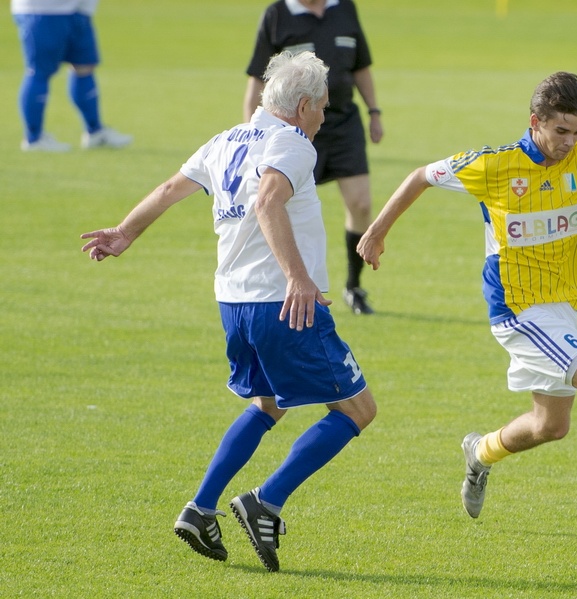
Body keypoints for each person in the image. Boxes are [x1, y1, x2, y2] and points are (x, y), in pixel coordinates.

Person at [357, 72, 577, 535]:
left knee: (551, 425)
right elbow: (421, 176)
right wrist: (376, 232)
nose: (570, 141)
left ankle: (480, 451)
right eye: (561, 131)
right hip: (518, 311)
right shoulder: (494, 167)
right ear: (535, 122)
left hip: (562, 309)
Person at [81, 51, 377, 573]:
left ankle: (200, 508)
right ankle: (267, 499)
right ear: (303, 106)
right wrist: (298, 276)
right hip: (282, 302)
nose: (324, 118)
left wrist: (125, 231)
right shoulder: (292, 144)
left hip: (234, 302)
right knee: (357, 410)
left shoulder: (226, 140)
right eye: (323, 108)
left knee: (268, 405)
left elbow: (171, 189)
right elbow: (268, 202)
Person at [244, 0, 383, 315]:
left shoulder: (345, 8)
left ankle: (354, 286)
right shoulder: (277, 15)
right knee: (281, 206)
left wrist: (374, 111)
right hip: (293, 128)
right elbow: (257, 78)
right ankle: (283, 284)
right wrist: (252, 133)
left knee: (361, 204)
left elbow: (361, 66)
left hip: (344, 124)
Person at [11, 0, 132, 152]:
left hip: (78, 9)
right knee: (39, 71)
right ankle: (34, 138)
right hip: (44, 9)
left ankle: (95, 131)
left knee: (84, 66)